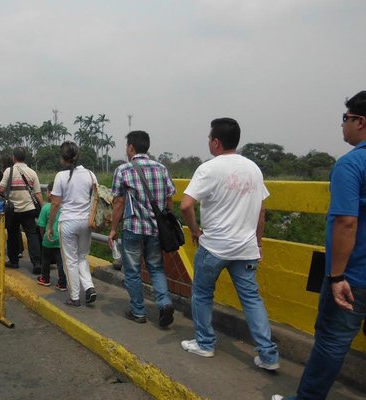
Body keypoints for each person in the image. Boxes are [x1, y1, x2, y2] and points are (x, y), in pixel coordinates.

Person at [272, 92, 366, 400]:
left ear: (360, 122)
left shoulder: (351, 165)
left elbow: (346, 223)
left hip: (354, 276)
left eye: (345, 119)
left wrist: (337, 277)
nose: (343, 126)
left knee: (331, 341)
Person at [179, 118, 279, 370]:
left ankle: (205, 344)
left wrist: (195, 231)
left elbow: (186, 204)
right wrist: (258, 244)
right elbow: (261, 211)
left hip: (214, 246)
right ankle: (268, 356)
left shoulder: (208, 169)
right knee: (252, 300)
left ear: (216, 141)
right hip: (245, 249)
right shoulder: (254, 169)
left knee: (202, 295)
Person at [108, 131, 176, 326]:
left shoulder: (123, 170)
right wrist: (168, 222)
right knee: (156, 268)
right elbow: (170, 199)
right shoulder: (162, 168)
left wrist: (113, 229)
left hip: (133, 228)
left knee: (133, 271)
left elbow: (119, 202)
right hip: (156, 230)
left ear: (131, 147)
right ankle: (164, 303)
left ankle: (138, 311)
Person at [47, 141, 97, 307]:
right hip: (86, 222)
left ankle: (75, 297)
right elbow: (96, 198)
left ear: (63, 158)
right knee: (82, 256)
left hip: (68, 222)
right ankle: (89, 287)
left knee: (70, 260)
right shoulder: (90, 174)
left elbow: (55, 204)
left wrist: (49, 226)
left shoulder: (60, 176)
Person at [0, 147, 43, 272]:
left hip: (12, 210)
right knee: (32, 234)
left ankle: (13, 261)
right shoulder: (32, 172)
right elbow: (38, 193)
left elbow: (1, 189)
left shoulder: (8, 171)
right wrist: (43, 208)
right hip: (28, 208)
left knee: (12, 235)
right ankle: (37, 263)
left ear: (14, 158)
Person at [36, 182, 67, 291]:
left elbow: (41, 225)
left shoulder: (45, 208)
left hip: (47, 239)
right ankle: (63, 282)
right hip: (62, 238)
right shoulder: (65, 208)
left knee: (46, 260)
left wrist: (43, 235)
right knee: (61, 262)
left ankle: (45, 278)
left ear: (49, 193)